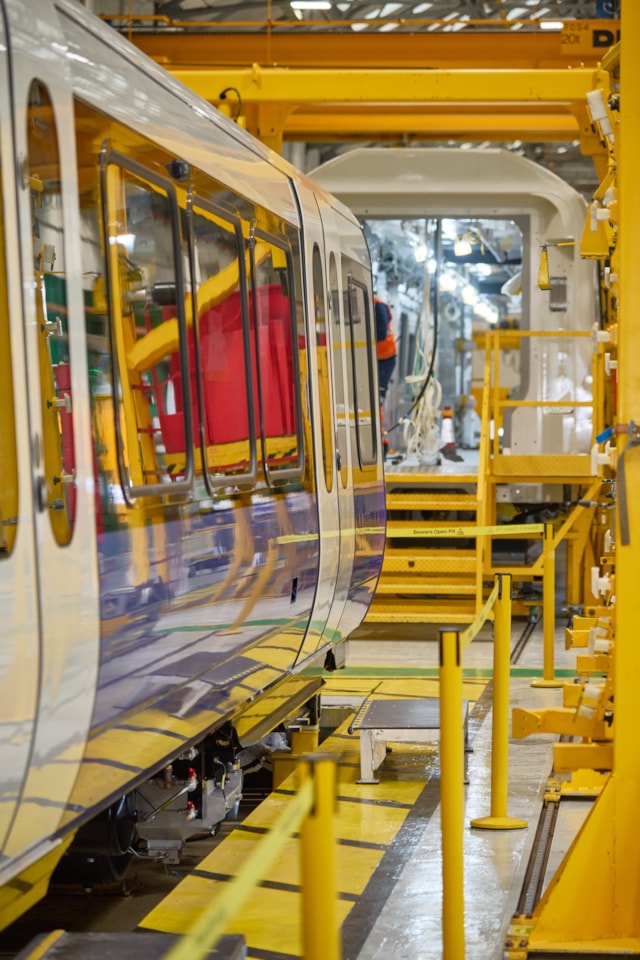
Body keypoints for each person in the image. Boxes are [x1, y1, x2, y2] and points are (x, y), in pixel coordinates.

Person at [374, 296, 397, 401]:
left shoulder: (378, 305)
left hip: (385, 358)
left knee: (378, 393)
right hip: (378, 356)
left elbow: (381, 333)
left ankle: (379, 416)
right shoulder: (374, 304)